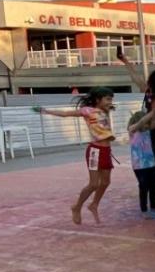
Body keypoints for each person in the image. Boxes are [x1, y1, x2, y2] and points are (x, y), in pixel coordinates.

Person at [36, 88, 116, 225]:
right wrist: (46, 111)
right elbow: (66, 114)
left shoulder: (105, 111)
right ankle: (77, 206)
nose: (110, 102)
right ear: (98, 100)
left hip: (106, 150)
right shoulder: (87, 111)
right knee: (93, 184)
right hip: (95, 151)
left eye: (111, 99)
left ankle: (94, 205)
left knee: (106, 182)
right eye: (107, 99)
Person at [118, 49, 155, 179]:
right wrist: (125, 60)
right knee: (144, 167)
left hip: (153, 137)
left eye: (149, 81)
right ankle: (151, 190)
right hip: (143, 134)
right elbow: (135, 77)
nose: (146, 82)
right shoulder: (148, 92)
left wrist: (138, 126)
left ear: (153, 84)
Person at [127, 110, 155, 219]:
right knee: (143, 187)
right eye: (146, 122)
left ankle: (154, 208)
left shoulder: (148, 130)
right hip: (139, 165)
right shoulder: (132, 130)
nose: (147, 124)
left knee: (153, 187)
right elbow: (141, 122)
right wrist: (150, 114)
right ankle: (144, 210)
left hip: (151, 163)